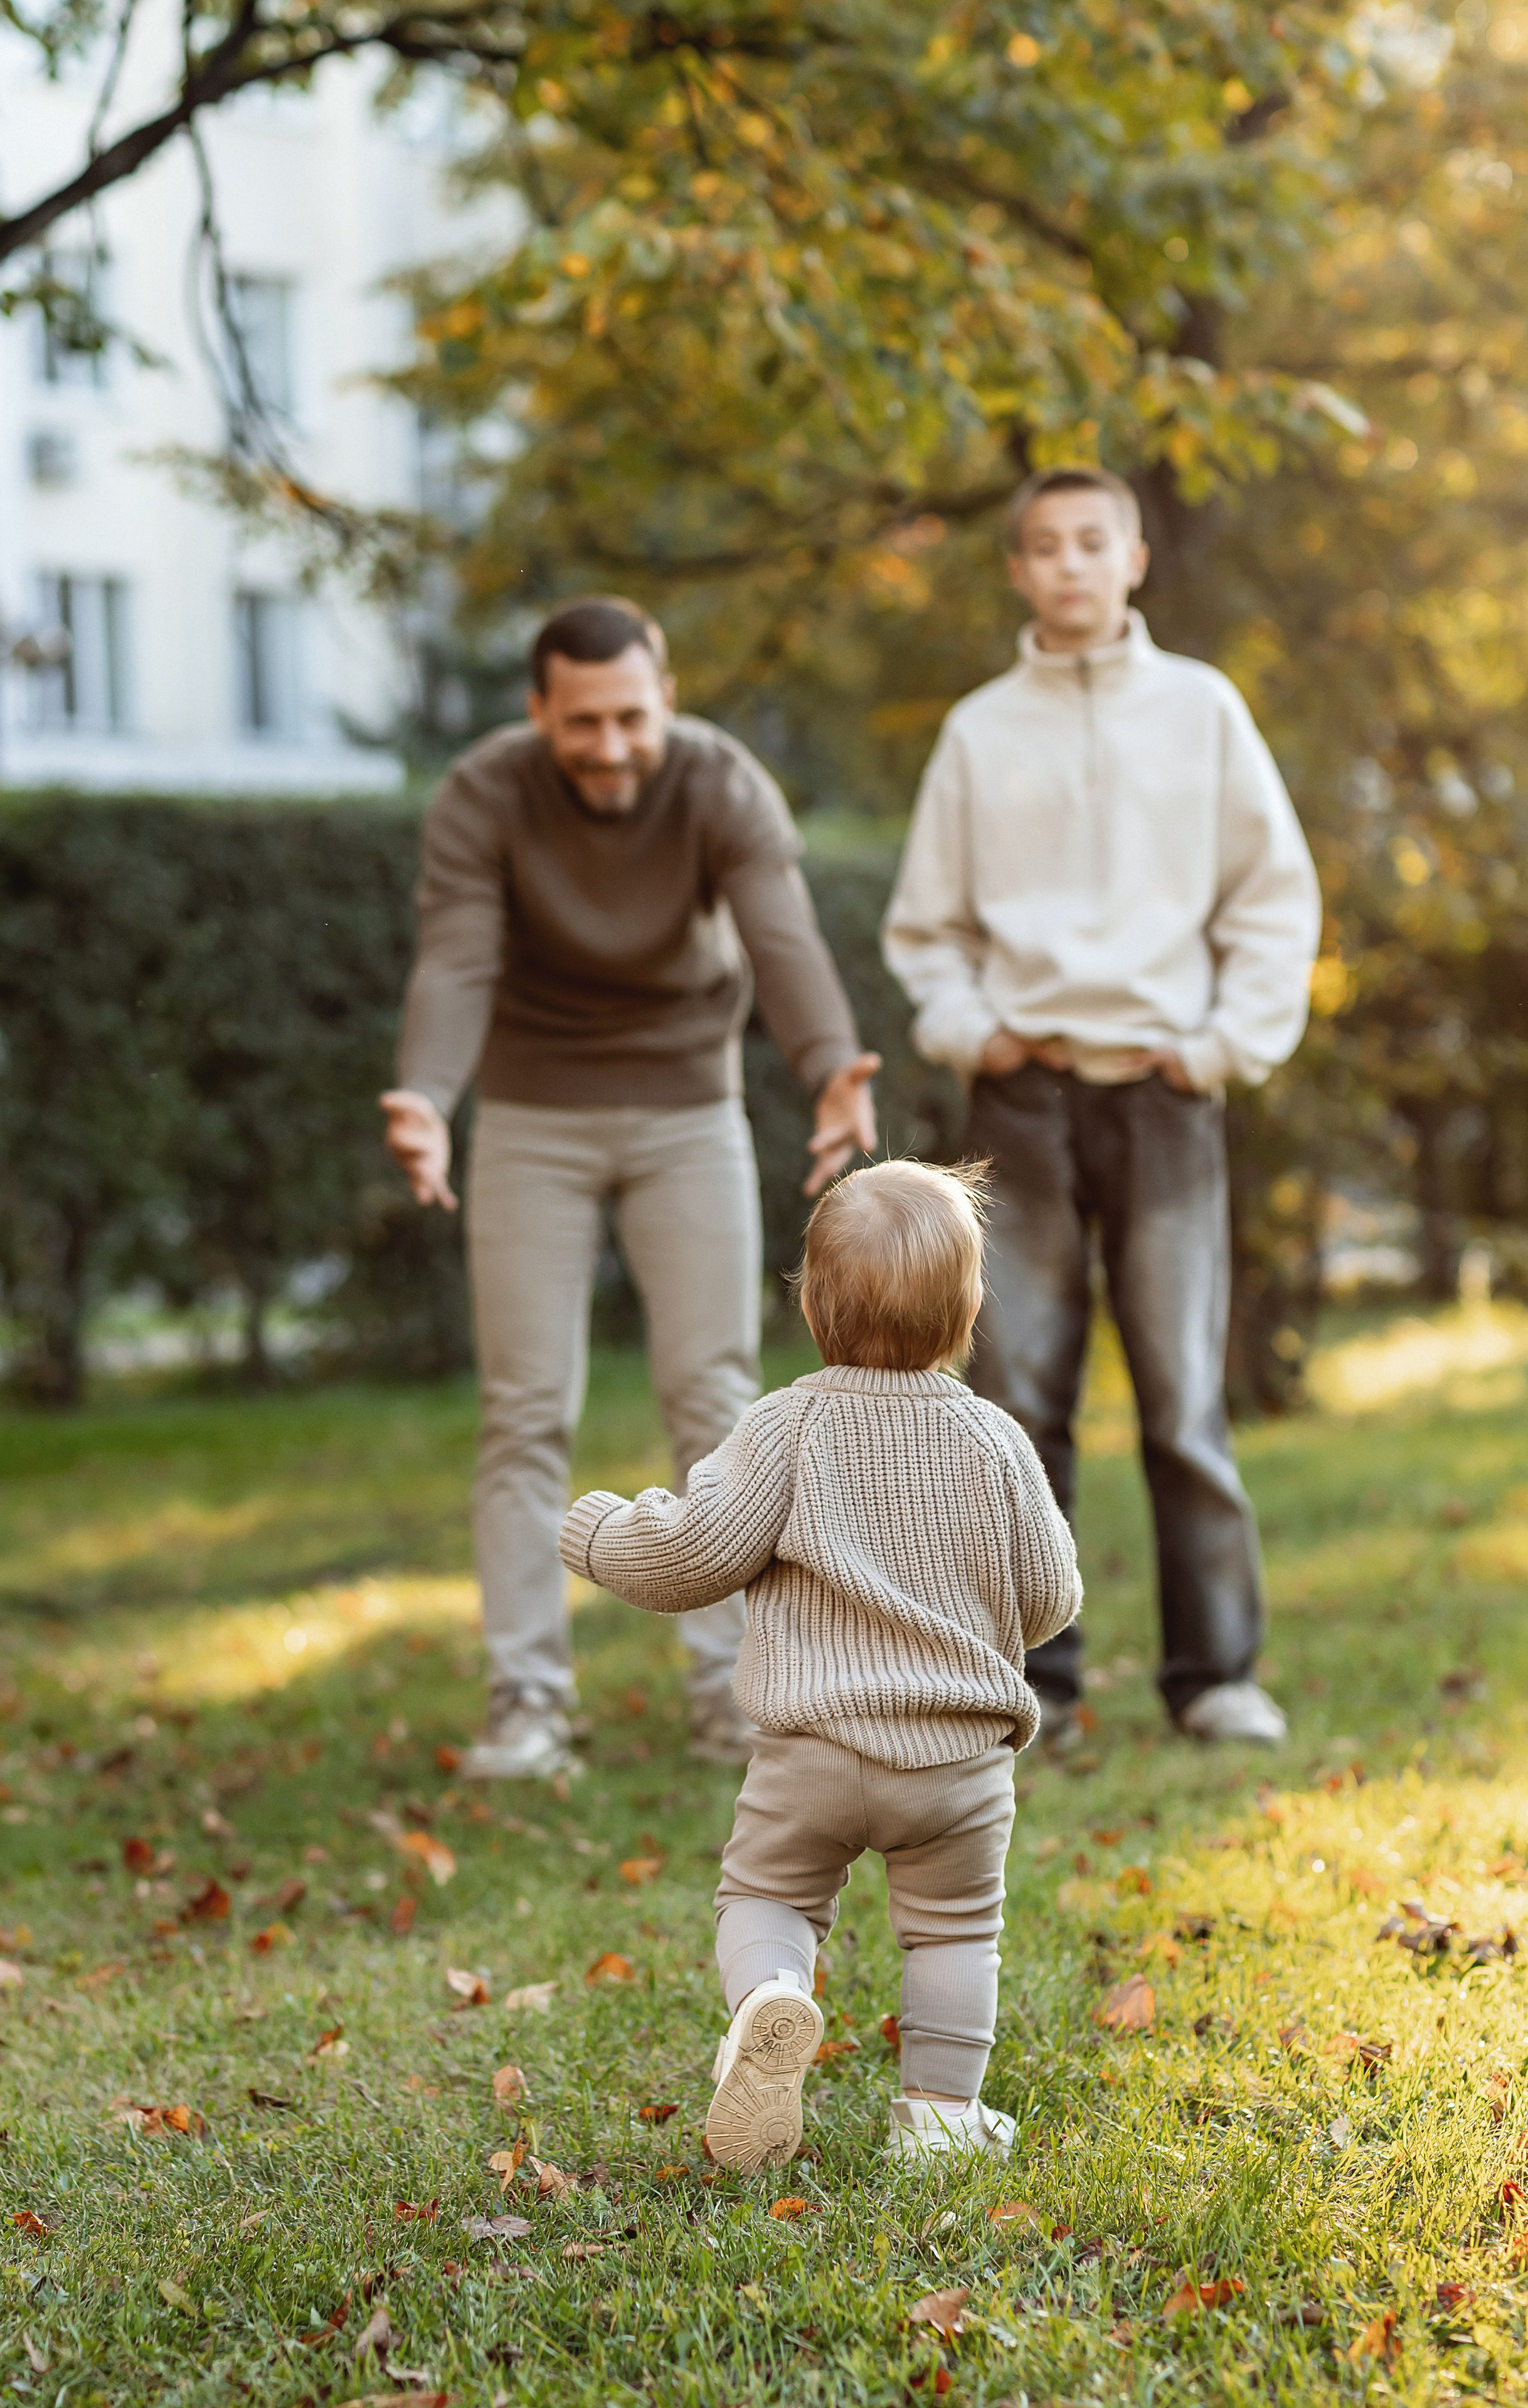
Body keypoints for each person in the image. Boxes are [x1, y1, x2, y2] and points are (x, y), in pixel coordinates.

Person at [379, 594, 879, 1779]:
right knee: (525, 1408)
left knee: (715, 1403)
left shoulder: (719, 781)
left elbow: (782, 937)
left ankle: (735, 1691)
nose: (610, 747)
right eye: (582, 722)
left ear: (667, 698)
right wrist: (426, 1094)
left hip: (685, 1110)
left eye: (632, 719)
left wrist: (829, 1067)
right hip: (531, 1116)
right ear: (539, 709)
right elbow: (456, 953)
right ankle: (526, 1699)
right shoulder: (486, 794)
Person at [883, 466, 1322, 1751]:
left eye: (1091, 542)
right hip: (1017, 1096)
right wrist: (974, 1030)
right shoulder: (978, 730)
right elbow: (927, 926)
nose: (1067, 564)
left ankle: (1215, 1675)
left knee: (1181, 1393)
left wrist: (1222, 1045)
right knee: (1017, 1397)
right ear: (1015, 570)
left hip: (1163, 1093)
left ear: (1132, 558)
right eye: (1042, 547)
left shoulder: (1201, 712)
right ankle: (1032, 1687)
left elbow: (1270, 896)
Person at [559, 1159, 1081, 2168]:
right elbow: (1053, 1596)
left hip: (814, 1752)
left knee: (769, 1900)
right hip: (957, 1766)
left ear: (814, 1304)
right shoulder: (997, 1441)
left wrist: (598, 1533)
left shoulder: (786, 1426)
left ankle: (771, 1999)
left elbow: (691, 1556)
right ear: (967, 1310)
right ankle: (938, 2118)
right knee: (954, 1937)